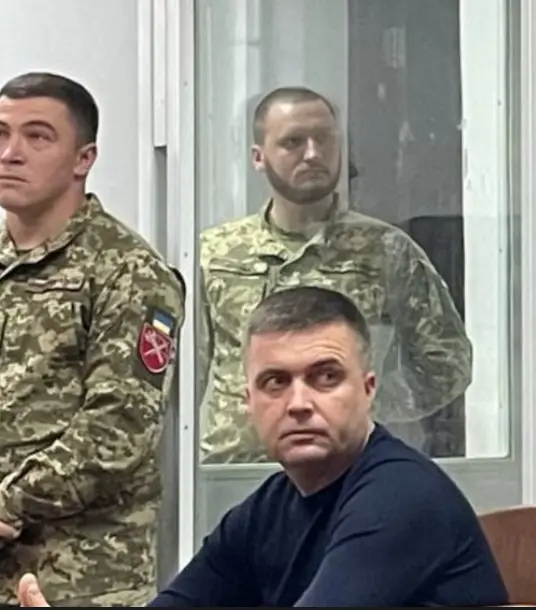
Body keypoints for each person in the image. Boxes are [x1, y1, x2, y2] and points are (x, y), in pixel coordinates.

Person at [18, 285, 509, 607]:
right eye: (276, 382)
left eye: (326, 377)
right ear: (248, 401)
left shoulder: (401, 497)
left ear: (368, 389)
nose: (299, 403)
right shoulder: (267, 509)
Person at [199, 86, 472, 463]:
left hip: (346, 469)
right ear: (258, 157)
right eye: (293, 142)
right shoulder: (216, 253)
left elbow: (447, 361)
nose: (312, 154)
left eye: (324, 139)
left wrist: (362, 400)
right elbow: (181, 374)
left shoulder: (384, 250)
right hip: (236, 469)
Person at [0, 72, 185, 605]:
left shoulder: (128, 271)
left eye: (37, 136)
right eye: (1, 134)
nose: (11, 153)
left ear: (84, 158)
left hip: (78, 579)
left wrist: (9, 501)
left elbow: (119, 428)